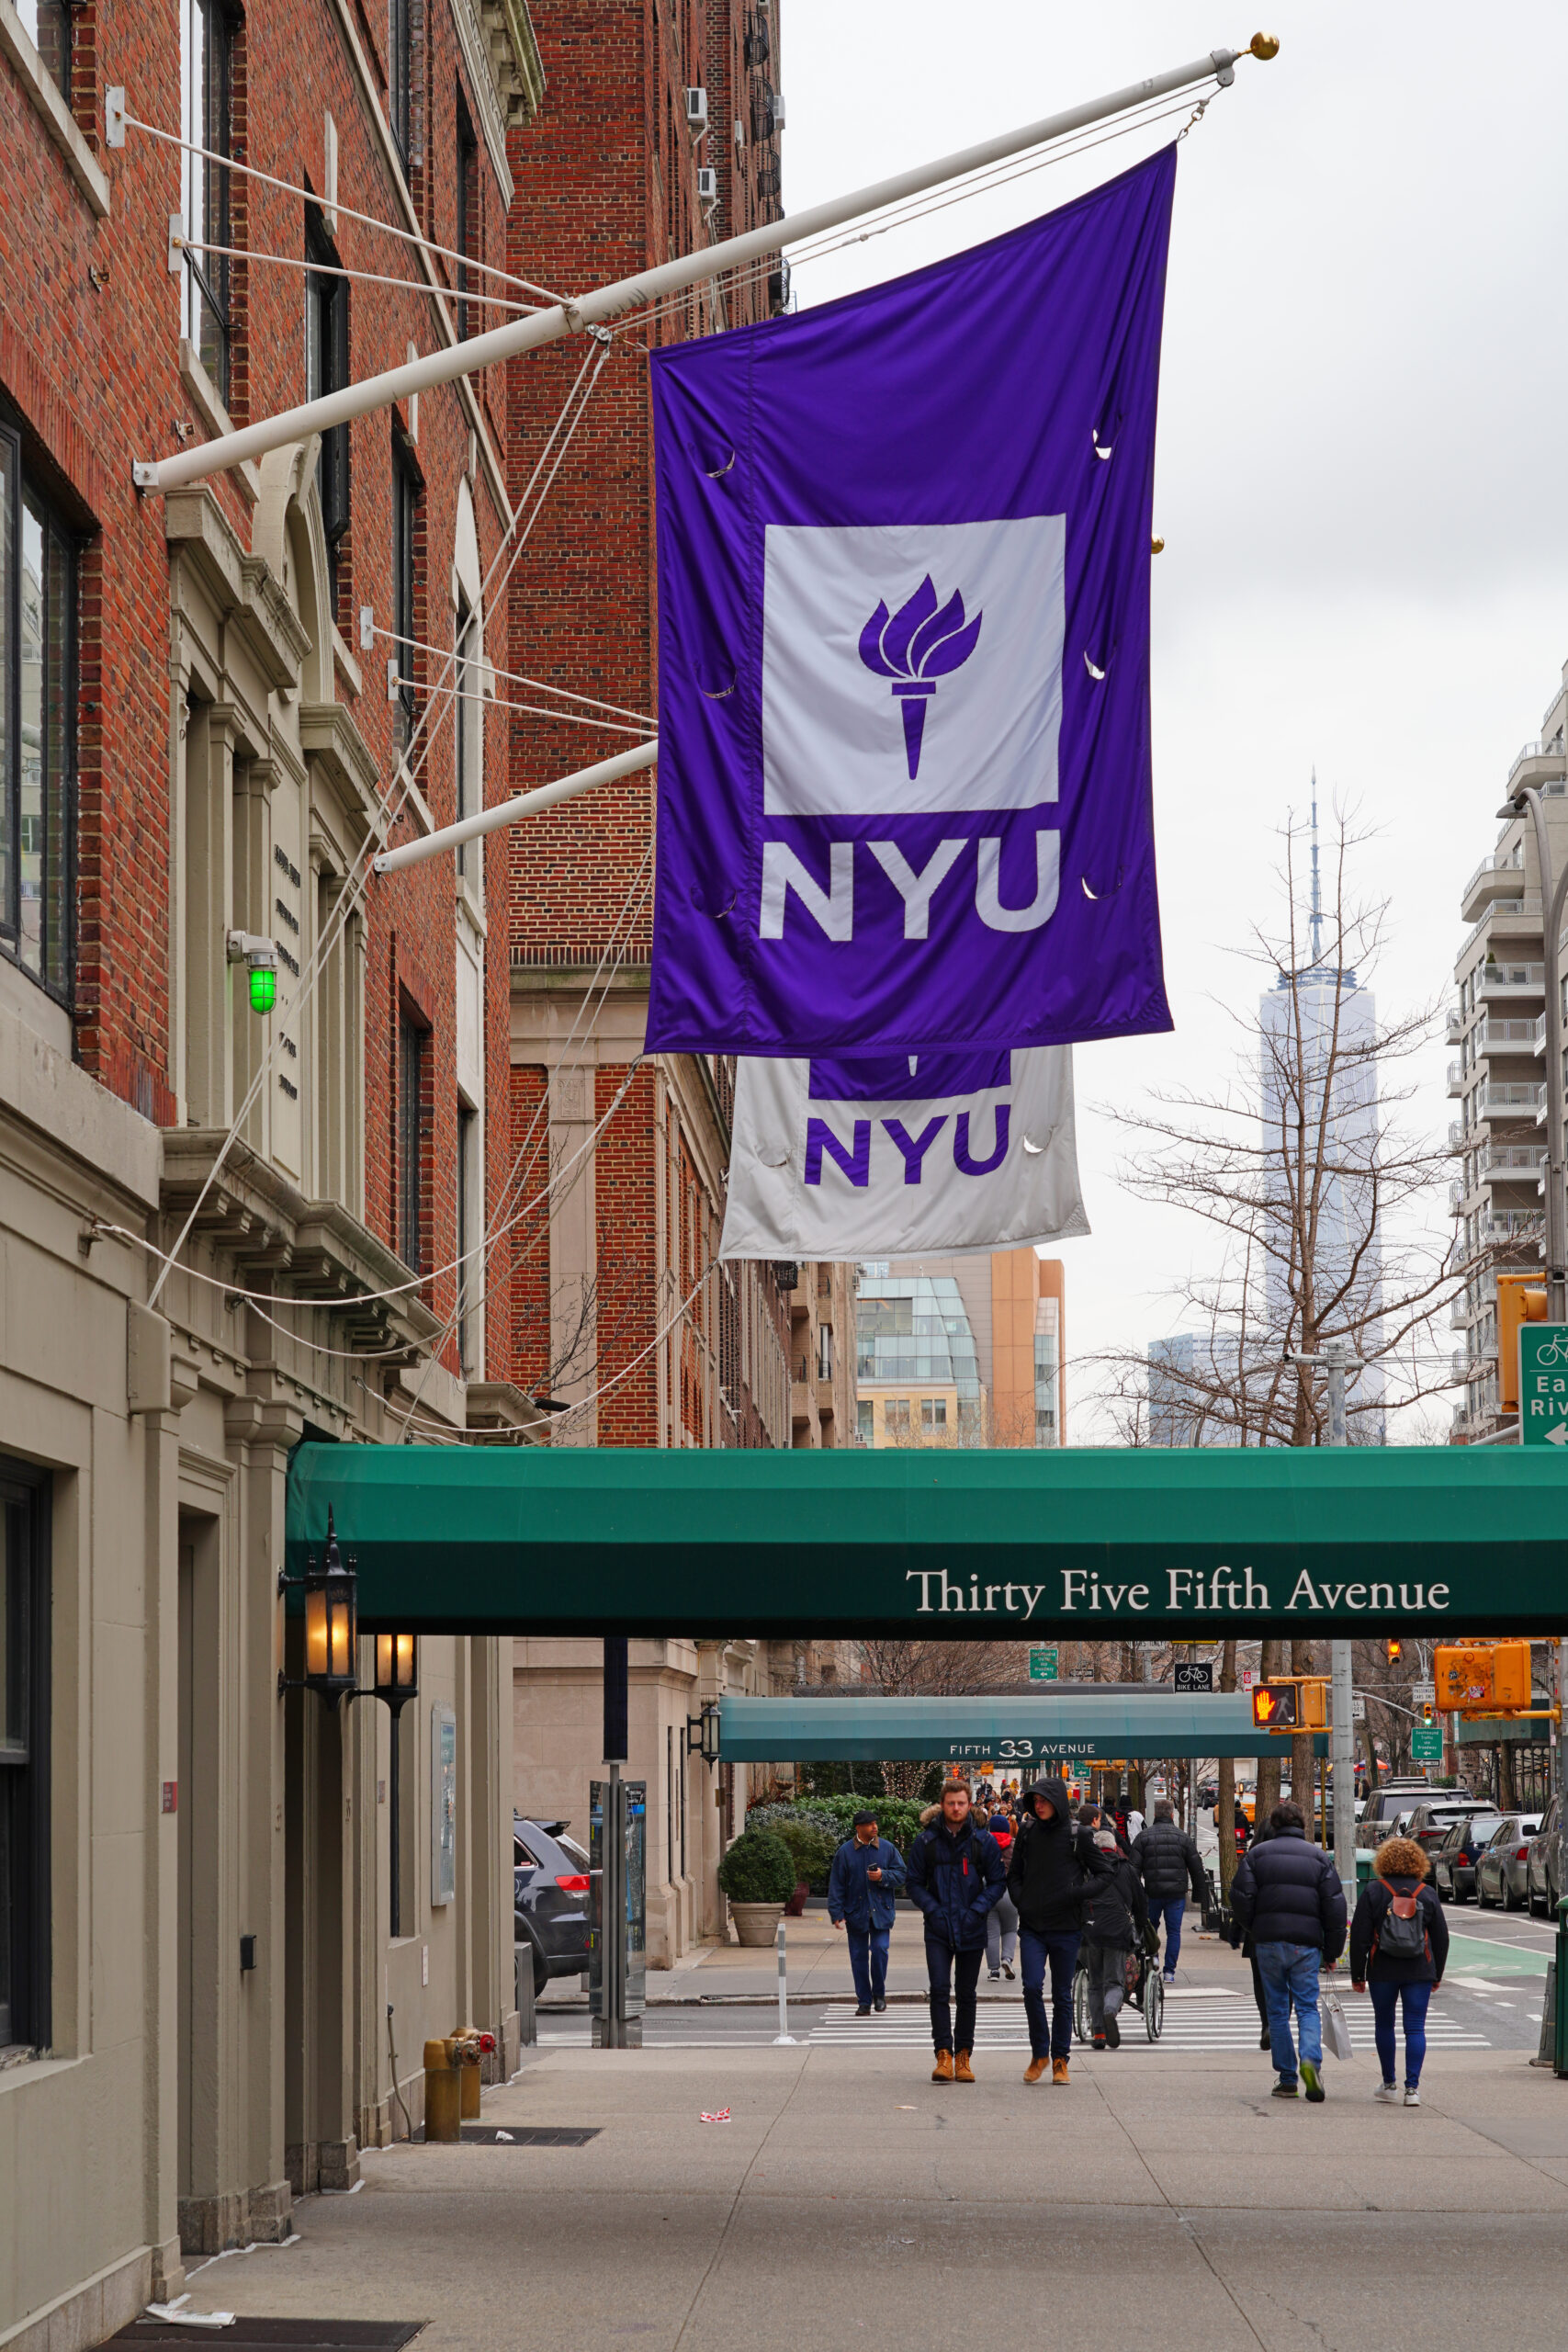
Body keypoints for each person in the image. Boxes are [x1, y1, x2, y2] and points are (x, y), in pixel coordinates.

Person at [1229, 1800, 1347, 2103]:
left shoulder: (1256, 1856)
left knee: (1277, 2010)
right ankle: (1311, 2060)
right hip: (1306, 1944)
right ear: (1302, 1825)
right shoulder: (1319, 1858)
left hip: (1267, 1942)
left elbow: (1239, 1897)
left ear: (1274, 1824)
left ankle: (1287, 2078)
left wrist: (1253, 1927)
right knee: (1307, 2006)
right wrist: (1332, 1951)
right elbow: (1335, 1907)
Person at [1008, 1777, 1110, 2084]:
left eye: (1044, 1801)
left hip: (1066, 1927)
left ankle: (1059, 2059)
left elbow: (1106, 1873)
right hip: (1033, 1927)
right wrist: (1021, 1900)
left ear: (1058, 1802)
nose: (1039, 1806)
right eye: (1035, 1801)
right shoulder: (1027, 1833)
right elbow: (1013, 1874)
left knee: (1062, 1995)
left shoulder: (1078, 1835)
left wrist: (1076, 1893)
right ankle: (1039, 2053)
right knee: (1031, 1987)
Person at [905, 1779, 1006, 2083]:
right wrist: (933, 1910)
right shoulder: (927, 1842)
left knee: (966, 1994)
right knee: (938, 1990)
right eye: (951, 1803)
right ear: (942, 1804)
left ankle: (963, 2055)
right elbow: (913, 1883)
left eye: (961, 1803)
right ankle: (943, 2055)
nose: (956, 1808)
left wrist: (977, 1910)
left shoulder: (982, 1841)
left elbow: (998, 1882)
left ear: (970, 1804)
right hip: (938, 1927)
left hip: (971, 1926)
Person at [1349, 1834, 1449, 2107]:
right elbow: (1441, 1937)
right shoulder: (1426, 1893)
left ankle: (1389, 2083)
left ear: (1383, 1861)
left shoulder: (1373, 1891)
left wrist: (1358, 1974)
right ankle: (1412, 2089)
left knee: (1384, 2024)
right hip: (1419, 1968)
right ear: (1418, 1863)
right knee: (1415, 2028)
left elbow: (1359, 1936)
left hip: (1382, 1967)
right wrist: (1437, 1973)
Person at [828, 1810, 908, 2017]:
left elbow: (902, 1875)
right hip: (856, 1913)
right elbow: (837, 1884)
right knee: (858, 1958)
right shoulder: (845, 1852)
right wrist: (836, 1912)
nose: (875, 1827)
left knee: (880, 1951)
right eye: (870, 1824)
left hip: (881, 1912)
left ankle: (879, 1995)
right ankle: (864, 2001)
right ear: (858, 1828)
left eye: (875, 1824)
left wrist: (883, 1876)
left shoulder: (887, 1848)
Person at [1079, 1826, 1151, 2049]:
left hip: (1090, 1931)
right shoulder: (1127, 1870)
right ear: (1114, 1848)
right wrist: (1140, 1928)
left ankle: (1098, 2033)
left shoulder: (1086, 1870)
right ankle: (1110, 2011)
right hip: (1118, 1931)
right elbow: (1141, 1904)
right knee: (1115, 1983)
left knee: (1094, 1983)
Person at [1133, 1799, 1207, 1985]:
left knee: (1151, 1929)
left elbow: (1133, 1869)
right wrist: (1200, 1895)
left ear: (1155, 1814)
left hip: (1152, 1892)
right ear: (1172, 1814)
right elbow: (1197, 1868)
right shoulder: (1182, 1838)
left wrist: (1134, 1894)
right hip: (1176, 1894)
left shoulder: (1143, 1837)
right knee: (1174, 1932)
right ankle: (1170, 1971)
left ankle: (1153, 1960)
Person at [985, 1807, 1019, 1981]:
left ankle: (993, 1971)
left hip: (990, 1891)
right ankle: (1007, 1958)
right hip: (1010, 1892)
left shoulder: (984, 1844)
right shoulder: (1015, 1845)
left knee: (991, 1933)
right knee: (1011, 1929)